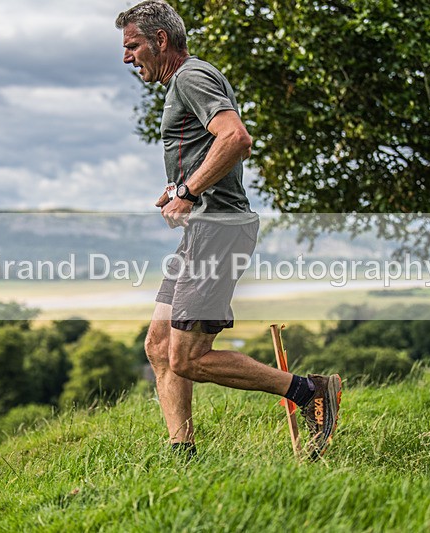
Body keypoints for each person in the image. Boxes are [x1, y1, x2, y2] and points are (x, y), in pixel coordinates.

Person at [115, 0, 341, 460]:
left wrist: (191, 192)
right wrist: (180, 186)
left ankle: (310, 392)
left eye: (132, 45)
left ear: (161, 40)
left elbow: (236, 138)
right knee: (160, 345)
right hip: (202, 230)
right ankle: (183, 456)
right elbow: (212, 151)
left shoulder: (191, 76)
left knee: (189, 358)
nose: (127, 57)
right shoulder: (185, 81)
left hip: (219, 229)